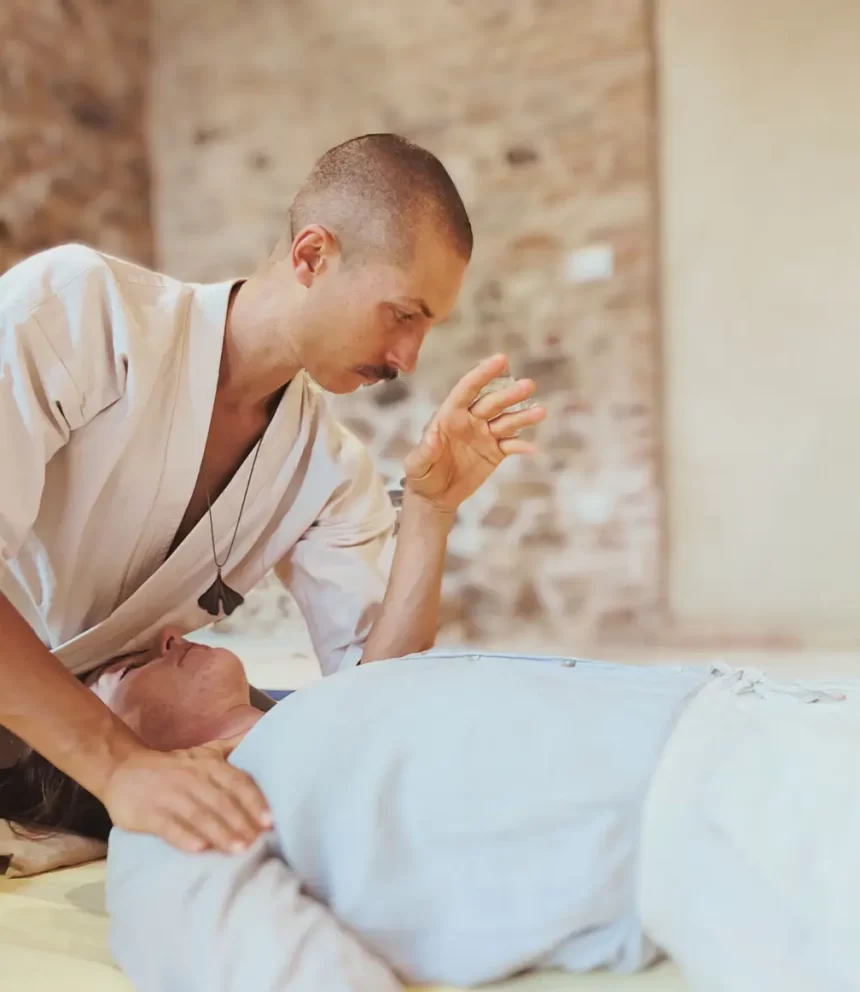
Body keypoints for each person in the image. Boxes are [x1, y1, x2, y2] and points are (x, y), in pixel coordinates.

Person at [0, 132, 545, 857]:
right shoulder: (79, 310)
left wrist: (430, 515)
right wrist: (121, 768)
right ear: (312, 256)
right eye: (402, 315)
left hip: (75, 748)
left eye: (427, 330)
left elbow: (371, 706)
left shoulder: (328, 467)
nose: (408, 360)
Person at [12, 635, 860, 992]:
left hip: (811, 714)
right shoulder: (169, 814)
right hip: (731, 808)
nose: (172, 632)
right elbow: (277, 981)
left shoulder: (306, 712)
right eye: (127, 661)